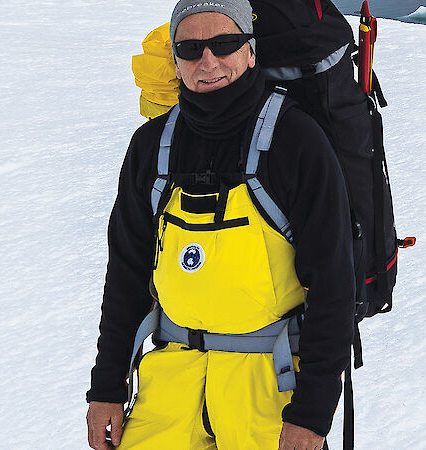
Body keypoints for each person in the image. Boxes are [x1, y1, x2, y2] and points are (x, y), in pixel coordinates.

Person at [85, 0, 355, 448]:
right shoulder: (151, 146)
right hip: (172, 378)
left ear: (250, 52)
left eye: (223, 44)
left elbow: (333, 285)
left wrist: (313, 413)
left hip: (270, 386)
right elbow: (126, 277)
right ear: (174, 60)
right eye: (189, 49)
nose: (207, 61)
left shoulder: (295, 140)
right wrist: (107, 388)